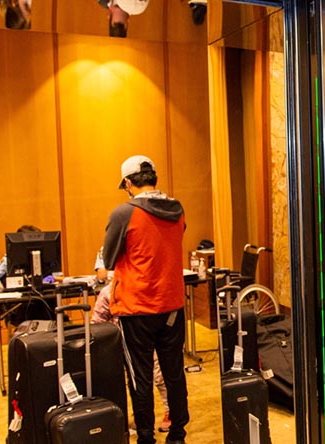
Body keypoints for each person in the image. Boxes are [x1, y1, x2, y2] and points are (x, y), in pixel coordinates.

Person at [103, 155, 188, 444]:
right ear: (155, 178)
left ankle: (145, 438)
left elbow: (110, 258)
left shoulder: (123, 213)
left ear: (128, 183)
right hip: (173, 305)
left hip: (137, 307)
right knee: (174, 372)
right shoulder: (178, 210)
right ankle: (177, 435)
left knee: (140, 377)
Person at [91, 284, 172, 433]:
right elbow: (97, 324)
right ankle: (135, 418)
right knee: (128, 384)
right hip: (117, 344)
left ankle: (169, 412)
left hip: (146, 340)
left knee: (158, 376)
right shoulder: (108, 292)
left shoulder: (145, 287)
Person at [0, 224, 55, 324]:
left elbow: (57, 275)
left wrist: (51, 278)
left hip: (43, 300)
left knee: (47, 301)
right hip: (20, 305)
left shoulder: (47, 256)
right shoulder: (9, 258)